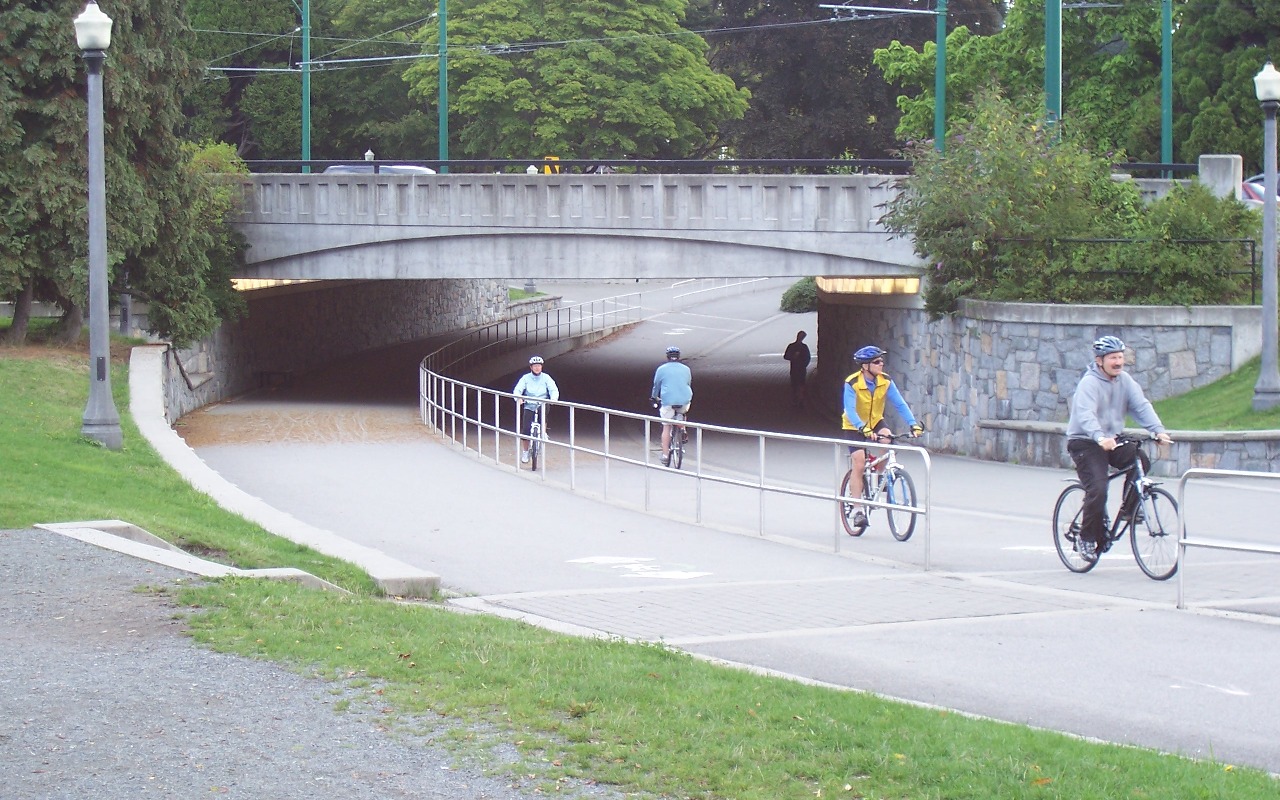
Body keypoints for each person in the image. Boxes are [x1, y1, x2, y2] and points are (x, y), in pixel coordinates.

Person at [1065, 336, 1173, 561]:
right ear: (1099, 361)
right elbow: (1085, 414)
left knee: (1140, 460)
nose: (1118, 362)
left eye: (1121, 357)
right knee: (1099, 488)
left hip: (1111, 438)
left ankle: (1129, 510)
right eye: (1113, 358)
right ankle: (1086, 538)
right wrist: (1099, 436)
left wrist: (1158, 430)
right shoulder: (1089, 383)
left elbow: (1141, 406)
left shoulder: (1125, 381)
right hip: (1085, 441)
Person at [840, 345, 923, 530]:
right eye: (877, 362)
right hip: (854, 425)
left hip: (876, 421)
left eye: (881, 361)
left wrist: (913, 424)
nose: (881, 364)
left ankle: (879, 475)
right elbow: (850, 410)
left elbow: (899, 403)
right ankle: (857, 509)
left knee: (888, 439)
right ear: (865, 366)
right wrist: (863, 428)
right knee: (859, 462)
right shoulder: (852, 383)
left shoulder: (885, 381)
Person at [650, 345, 693, 467]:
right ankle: (683, 429)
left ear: (667, 357)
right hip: (684, 399)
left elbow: (656, 386)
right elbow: (688, 383)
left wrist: (653, 397)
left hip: (668, 401)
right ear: (679, 357)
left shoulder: (661, 369)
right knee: (682, 412)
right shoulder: (686, 369)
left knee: (666, 426)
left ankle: (665, 455)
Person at [513, 356, 560, 463]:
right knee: (525, 430)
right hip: (529, 404)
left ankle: (543, 432)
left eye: (539, 366)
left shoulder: (546, 378)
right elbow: (517, 389)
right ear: (531, 367)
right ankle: (525, 452)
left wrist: (553, 399)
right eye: (535, 366)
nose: (537, 368)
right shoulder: (525, 378)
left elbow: (553, 389)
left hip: (542, 403)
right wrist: (518, 398)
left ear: (542, 367)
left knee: (544, 414)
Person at [783, 331, 811, 408]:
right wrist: (803, 363)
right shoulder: (802, 347)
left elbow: (786, 356)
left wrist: (802, 364)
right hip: (798, 368)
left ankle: (799, 399)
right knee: (798, 384)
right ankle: (797, 399)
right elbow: (786, 356)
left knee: (798, 385)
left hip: (798, 368)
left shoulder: (794, 346)